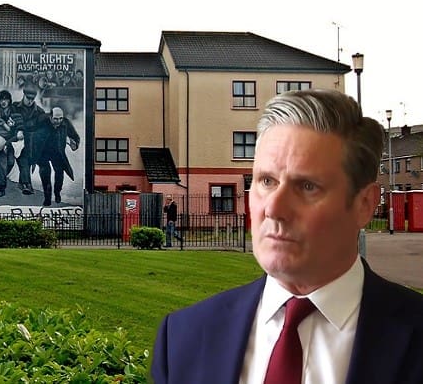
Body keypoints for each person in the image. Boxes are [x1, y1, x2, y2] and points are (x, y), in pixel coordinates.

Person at [151, 89, 423, 383]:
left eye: (307, 186)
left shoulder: (413, 336)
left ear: (365, 204)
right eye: (267, 181)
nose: (274, 208)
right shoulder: (184, 337)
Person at [33, 107, 79, 206]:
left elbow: (75, 136)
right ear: (50, 117)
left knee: (59, 173)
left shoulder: (65, 123)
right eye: (56, 119)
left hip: (57, 152)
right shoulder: (41, 122)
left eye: (60, 119)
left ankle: (57, 192)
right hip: (43, 152)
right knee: (45, 173)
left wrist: (74, 143)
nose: (58, 121)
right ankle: (47, 197)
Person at [13, 83, 46, 195]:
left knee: (27, 162)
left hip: (32, 142)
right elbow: (13, 120)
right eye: (28, 98)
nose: (30, 101)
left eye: (32, 99)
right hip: (18, 140)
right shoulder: (15, 107)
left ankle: (23, 183)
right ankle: (27, 184)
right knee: (24, 161)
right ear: (24, 95)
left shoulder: (39, 111)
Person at [0, 90, 19, 197]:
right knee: (2, 163)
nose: (4, 102)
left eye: (6, 99)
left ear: (9, 100)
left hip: (10, 140)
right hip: (0, 139)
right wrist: (3, 124)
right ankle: (0, 187)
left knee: (10, 162)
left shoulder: (12, 110)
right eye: (2, 99)